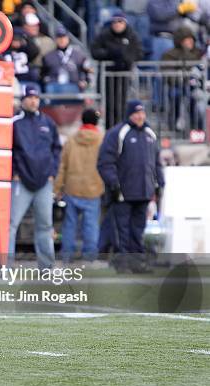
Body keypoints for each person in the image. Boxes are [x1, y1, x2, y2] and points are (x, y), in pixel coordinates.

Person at [97, 100, 164, 273]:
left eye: (142, 113)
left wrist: (159, 184)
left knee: (138, 230)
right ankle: (122, 263)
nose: (140, 116)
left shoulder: (150, 134)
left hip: (143, 192)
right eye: (136, 113)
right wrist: (114, 184)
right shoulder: (117, 133)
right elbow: (105, 162)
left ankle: (137, 263)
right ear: (129, 115)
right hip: (123, 192)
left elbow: (156, 163)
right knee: (121, 230)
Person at [9, 84, 61, 269]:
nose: (33, 100)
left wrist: (52, 172)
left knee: (45, 226)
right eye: (30, 97)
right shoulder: (14, 123)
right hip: (21, 181)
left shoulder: (48, 123)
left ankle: (47, 267)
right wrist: (13, 172)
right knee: (11, 224)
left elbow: (56, 149)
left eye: (36, 98)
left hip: (44, 182)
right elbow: (8, 149)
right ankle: (5, 266)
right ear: (22, 100)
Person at [53, 108, 104, 263]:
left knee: (70, 225)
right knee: (91, 225)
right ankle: (90, 257)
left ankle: (67, 255)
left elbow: (63, 166)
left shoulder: (72, 139)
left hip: (72, 187)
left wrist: (57, 188)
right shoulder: (102, 140)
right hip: (93, 188)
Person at [91, 10, 143, 128]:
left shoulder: (131, 35)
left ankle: (122, 128)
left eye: (120, 21)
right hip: (108, 75)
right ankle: (110, 130)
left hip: (124, 75)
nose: (117, 24)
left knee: (122, 104)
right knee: (109, 105)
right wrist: (110, 54)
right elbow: (95, 52)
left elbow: (139, 53)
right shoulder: (104, 35)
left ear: (125, 23)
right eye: (114, 22)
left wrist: (125, 57)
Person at [41, 26, 92, 92]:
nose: (62, 40)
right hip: (55, 88)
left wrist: (86, 82)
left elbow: (89, 71)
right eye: (59, 37)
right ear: (55, 39)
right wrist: (48, 81)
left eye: (64, 37)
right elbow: (43, 74)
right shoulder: (48, 57)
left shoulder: (79, 55)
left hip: (74, 87)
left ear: (68, 38)